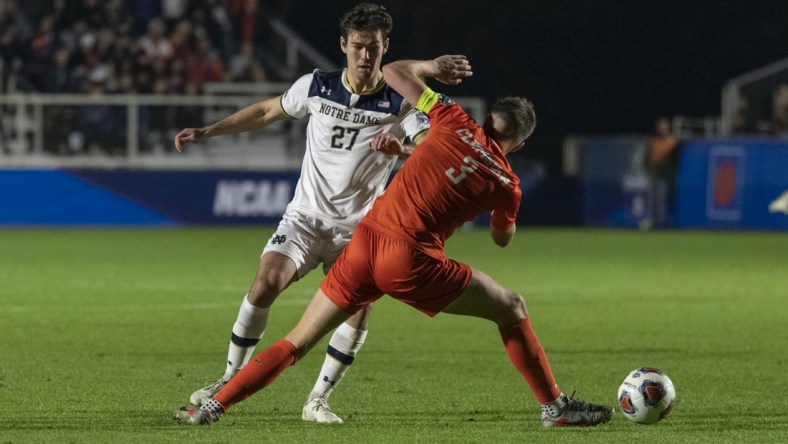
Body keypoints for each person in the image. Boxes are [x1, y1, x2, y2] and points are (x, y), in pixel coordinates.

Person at [174, 53, 614, 428]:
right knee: (511, 307)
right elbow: (502, 238)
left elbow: (394, 72)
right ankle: (554, 407)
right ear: (516, 145)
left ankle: (214, 406)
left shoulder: (450, 118)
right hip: (410, 260)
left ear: (485, 119)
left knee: (298, 340)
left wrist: (431, 66)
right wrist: (500, 207)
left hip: (364, 242)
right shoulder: (507, 182)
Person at [173, 3, 429, 424]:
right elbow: (265, 111)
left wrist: (401, 148)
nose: (366, 56)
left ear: (386, 49)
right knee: (264, 284)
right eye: (359, 46)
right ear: (344, 45)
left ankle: (318, 400)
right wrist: (210, 131)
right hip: (306, 218)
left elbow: (433, 146)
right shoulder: (316, 86)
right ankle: (229, 377)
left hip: (361, 229)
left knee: (359, 307)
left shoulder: (401, 102)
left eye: (375, 49)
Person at [643, 117, 679, 228]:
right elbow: (647, 158)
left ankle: (661, 225)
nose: (664, 128)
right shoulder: (653, 141)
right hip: (654, 175)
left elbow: (672, 153)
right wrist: (648, 170)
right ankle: (654, 223)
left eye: (666, 126)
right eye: (662, 126)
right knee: (653, 201)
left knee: (662, 202)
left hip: (665, 176)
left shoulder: (671, 141)